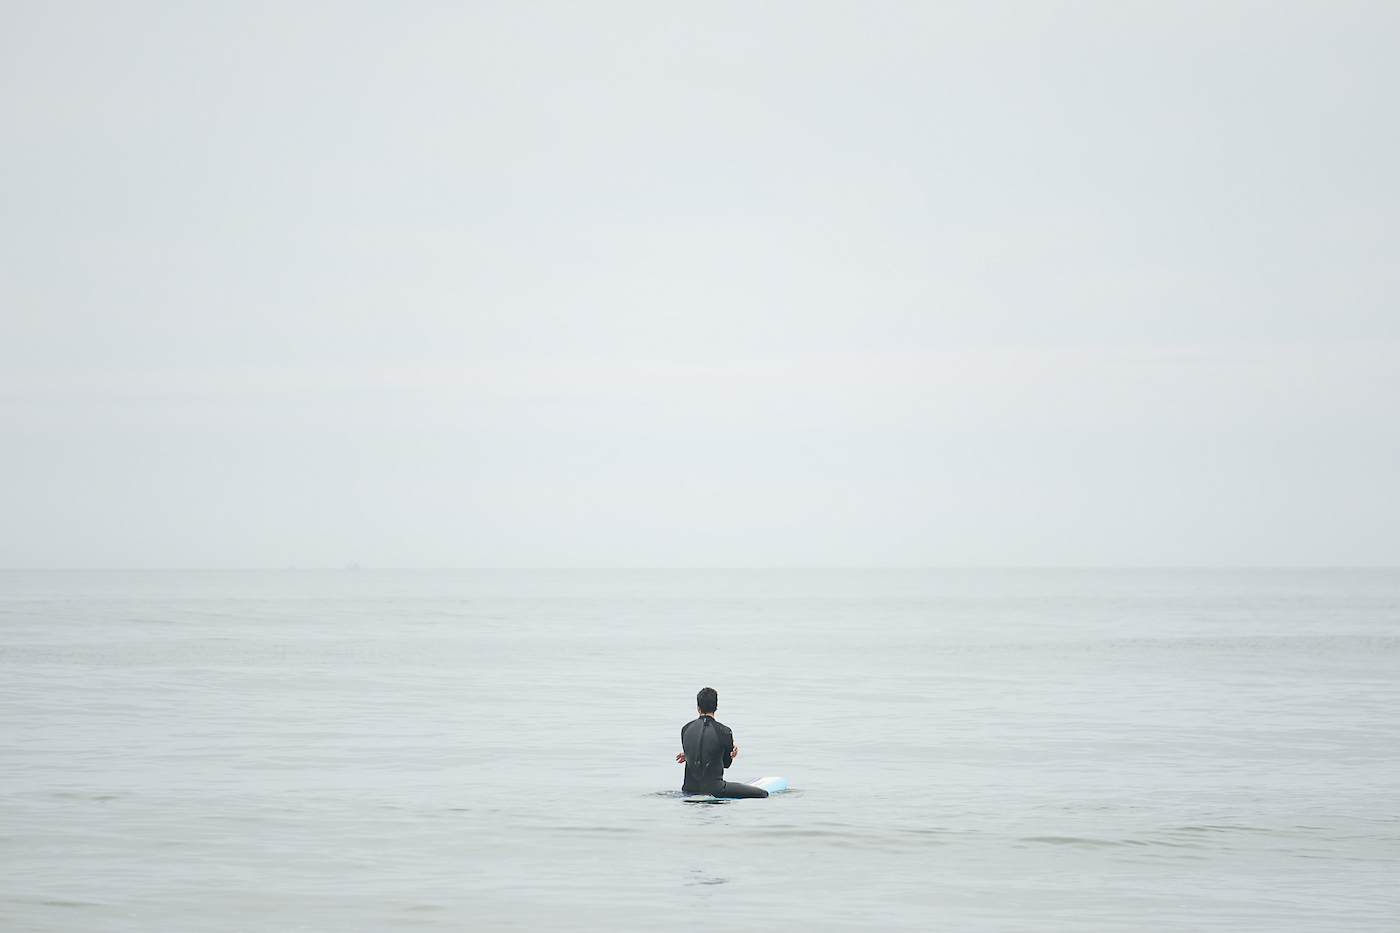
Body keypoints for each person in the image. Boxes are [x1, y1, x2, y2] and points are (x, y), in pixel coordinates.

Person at [675, 687, 768, 798]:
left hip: (689, 789)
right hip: (715, 789)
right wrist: (732, 754)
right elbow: (726, 764)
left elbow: (699, 754)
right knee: (763, 794)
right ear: (716, 706)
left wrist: (689, 755)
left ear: (698, 707)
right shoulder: (724, 731)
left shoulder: (685, 729)